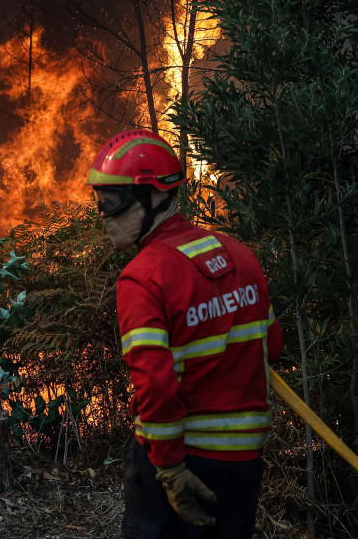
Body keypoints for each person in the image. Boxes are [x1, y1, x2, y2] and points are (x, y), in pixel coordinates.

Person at [86, 130, 283, 539]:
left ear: (155, 198)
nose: (104, 215)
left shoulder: (142, 279)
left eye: (112, 201)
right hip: (244, 465)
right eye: (98, 202)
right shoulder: (239, 255)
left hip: (179, 463)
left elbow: (155, 387)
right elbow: (273, 346)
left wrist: (171, 469)